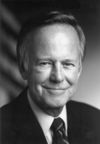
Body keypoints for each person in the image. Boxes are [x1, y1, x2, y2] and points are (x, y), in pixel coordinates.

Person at [0, 9, 100, 144]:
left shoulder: (96, 120)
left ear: (79, 69)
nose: (58, 77)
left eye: (68, 64)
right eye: (45, 63)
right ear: (23, 68)